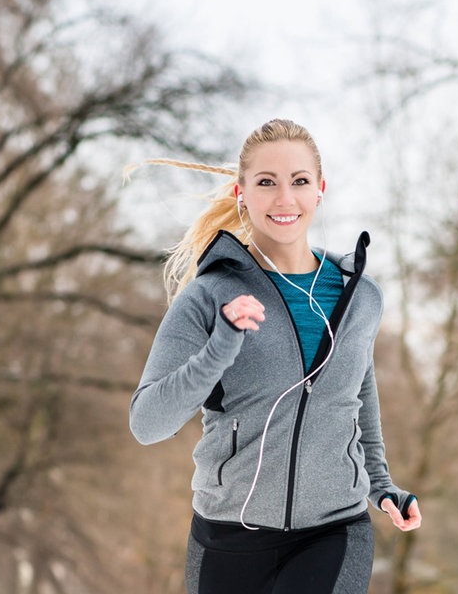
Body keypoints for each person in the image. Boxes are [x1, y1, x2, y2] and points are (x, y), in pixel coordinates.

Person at [128, 118, 421, 594]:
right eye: (267, 183)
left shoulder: (360, 296)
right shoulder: (209, 296)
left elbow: (357, 397)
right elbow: (147, 423)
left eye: (299, 181)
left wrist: (382, 485)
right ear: (242, 192)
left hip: (334, 529)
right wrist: (221, 344)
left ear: (320, 189)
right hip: (226, 538)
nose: (285, 199)